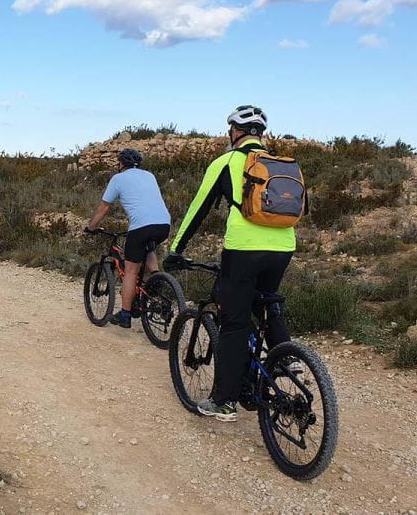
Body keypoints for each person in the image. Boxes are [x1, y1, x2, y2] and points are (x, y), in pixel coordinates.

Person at [165, 105, 296, 423]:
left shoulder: (225, 162)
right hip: (283, 247)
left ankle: (223, 401)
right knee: (266, 304)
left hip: (243, 250)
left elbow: (199, 210)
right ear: (260, 134)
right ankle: (285, 361)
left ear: (235, 132)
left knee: (234, 323)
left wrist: (176, 249)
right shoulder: (281, 164)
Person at [84, 149, 171, 329]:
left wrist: (91, 227)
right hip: (164, 224)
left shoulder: (118, 178)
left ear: (121, 164)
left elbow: (104, 207)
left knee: (131, 271)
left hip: (141, 226)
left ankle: (125, 315)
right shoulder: (150, 175)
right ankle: (157, 280)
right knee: (148, 248)